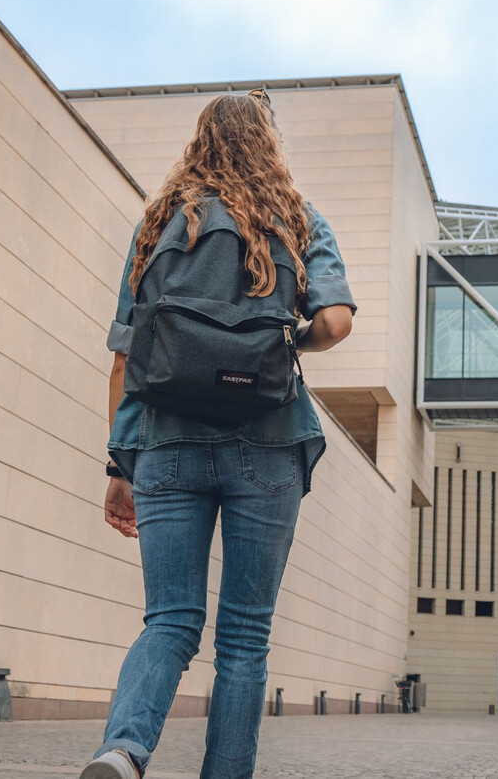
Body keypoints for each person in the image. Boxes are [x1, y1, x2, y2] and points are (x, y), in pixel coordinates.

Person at [81, 89, 355, 779]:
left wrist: (121, 465)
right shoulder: (296, 217)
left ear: (199, 142)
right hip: (268, 442)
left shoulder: (159, 224)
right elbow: (336, 322)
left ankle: (122, 751)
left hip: (167, 443)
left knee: (169, 620)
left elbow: (125, 355)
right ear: (269, 144)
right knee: (244, 637)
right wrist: (283, 340)